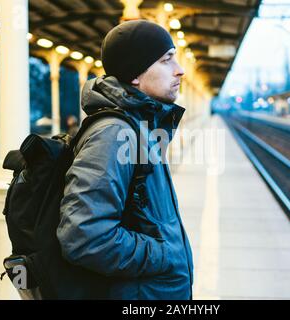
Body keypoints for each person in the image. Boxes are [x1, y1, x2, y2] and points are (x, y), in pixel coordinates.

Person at [57, 20, 193, 300]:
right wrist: (166, 253)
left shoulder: (140, 127)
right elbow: (84, 236)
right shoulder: (114, 133)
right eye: (167, 60)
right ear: (135, 74)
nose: (180, 69)